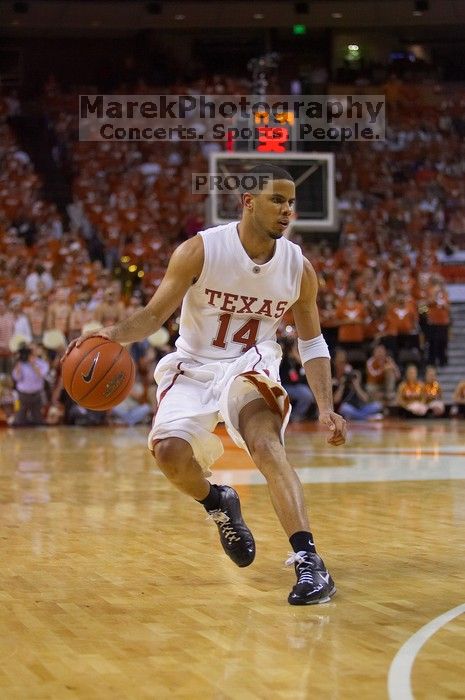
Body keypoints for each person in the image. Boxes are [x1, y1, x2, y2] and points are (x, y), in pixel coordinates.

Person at [65, 164, 347, 606]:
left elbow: (312, 342)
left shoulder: (299, 268)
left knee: (266, 445)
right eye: (277, 200)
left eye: (291, 202)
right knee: (169, 454)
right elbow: (155, 314)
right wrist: (110, 336)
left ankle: (311, 562)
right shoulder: (201, 250)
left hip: (251, 363)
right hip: (194, 364)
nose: (287, 210)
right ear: (248, 202)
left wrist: (327, 406)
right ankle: (218, 501)